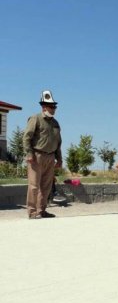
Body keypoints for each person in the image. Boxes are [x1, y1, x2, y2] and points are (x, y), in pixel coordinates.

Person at [23, 90, 62, 219]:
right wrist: (29, 153)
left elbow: (58, 142)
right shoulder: (35, 119)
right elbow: (26, 137)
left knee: (46, 186)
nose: (54, 109)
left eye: (55, 107)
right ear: (44, 107)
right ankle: (32, 212)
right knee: (34, 186)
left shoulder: (55, 123)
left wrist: (59, 159)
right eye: (51, 106)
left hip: (50, 157)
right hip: (36, 156)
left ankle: (41, 211)